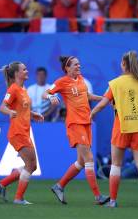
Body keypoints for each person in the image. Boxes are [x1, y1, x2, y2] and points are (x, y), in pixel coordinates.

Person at [91, 51, 138, 208]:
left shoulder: (116, 83)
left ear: (123, 64)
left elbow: (102, 103)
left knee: (116, 164)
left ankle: (113, 201)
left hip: (121, 127)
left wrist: (91, 113)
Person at [44, 56, 109, 205]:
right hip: (75, 124)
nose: (79, 66)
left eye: (79, 64)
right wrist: (50, 97)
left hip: (86, 123)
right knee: (89, 159)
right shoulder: (62, 81)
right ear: (67, 68)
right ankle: (98, 196)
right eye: (75, 64)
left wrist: (105, 98)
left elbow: (87, 96)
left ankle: (59, 186)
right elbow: (46, 93)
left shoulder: (81, 79)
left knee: (80, 162)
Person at [0, 62, 44, 205]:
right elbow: (2, 107)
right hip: (18, 132)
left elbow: (22, 108)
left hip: (23, 131)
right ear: (17, 73)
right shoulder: (14, 89)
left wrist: (33, 114)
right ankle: (18, 198)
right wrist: (10, 112)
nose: (27, 71)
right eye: (24, 69)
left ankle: (2, 184)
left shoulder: (23, 89)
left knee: (31, 165)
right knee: (31, 165)